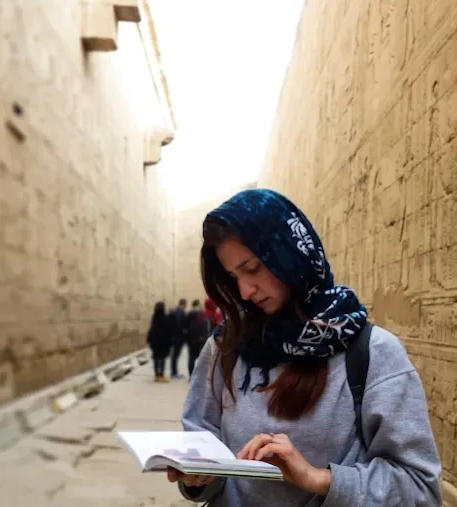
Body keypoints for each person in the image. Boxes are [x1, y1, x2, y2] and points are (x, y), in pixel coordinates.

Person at [168, 189, 442, 506]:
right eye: (233, 276)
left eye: (253, 268)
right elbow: (204, 449)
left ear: (289, 253)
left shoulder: (372, 352)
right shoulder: (225, 346)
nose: (244, 291)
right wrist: (199, 478)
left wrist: (316, 478)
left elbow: (419, 489)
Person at [186, 298, 221, 377]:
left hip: (199, 340)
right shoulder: (216, 315)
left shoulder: (201, 314)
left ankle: (192, 375)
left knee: (193, 358)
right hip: (212, 340)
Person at [146, 301, 172, 382]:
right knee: (162, 359)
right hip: (163, 341)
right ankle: (161, 375)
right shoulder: (165, 317)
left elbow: (152, 328)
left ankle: (156, 375)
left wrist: (150, 340)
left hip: (155, 341)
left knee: (156, 358)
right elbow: (167, 330)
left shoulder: (154, 317)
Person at [169, 298, 188, 379]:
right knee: (175, 355)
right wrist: (184, 332)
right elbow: (181, 325)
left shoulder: (174, 311)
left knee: (174, 356)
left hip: (173, 336)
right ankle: (174, 372)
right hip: (179, 337)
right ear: (184, 304)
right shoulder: (181, 313)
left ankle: (174, 372)